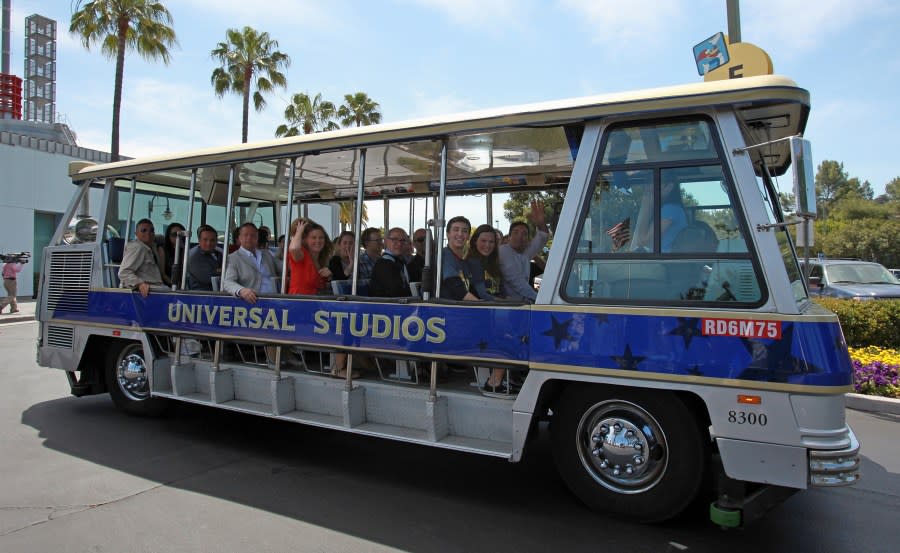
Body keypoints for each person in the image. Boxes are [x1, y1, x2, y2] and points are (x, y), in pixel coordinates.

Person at [467, 224, 513, 394]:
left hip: (493, 310)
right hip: (478, 313)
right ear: (475, 242)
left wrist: (508, 299)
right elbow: (481, 293)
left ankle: (503, 377)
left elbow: (498, 290)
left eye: (491, 242)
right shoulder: (473, 262)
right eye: (483, 241)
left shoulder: (492, 263)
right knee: (510, 336)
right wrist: (503, 301)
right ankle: (494, 381)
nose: (487, 245)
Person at [499, 200, 549, 302]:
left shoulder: (525, 253)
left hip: (522, 304)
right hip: (508, 307)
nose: (520, 237)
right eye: (516, 233)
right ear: (509, 237)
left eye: (524, 234)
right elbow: (518, 283)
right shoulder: (504, 251)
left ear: (527, 239)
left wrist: (541, 223)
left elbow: (543, 237)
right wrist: (540, 300)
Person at [222, 222, 281, 303]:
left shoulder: (266, 254)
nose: (249, 238)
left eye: (253, 235)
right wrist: (242, 291)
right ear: (239, 238)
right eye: (245, 235)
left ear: (257, 238)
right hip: (253, 302)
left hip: (277, 299)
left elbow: (282, 268)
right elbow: (228, 282)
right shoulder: (233, 258)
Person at [119, 219, 164, 298]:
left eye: (151, 230)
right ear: (136, 233)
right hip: (149, 291)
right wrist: (140, 284)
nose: (148, 233)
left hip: (158, 288)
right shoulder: (137, 247)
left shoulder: (152, 247)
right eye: (143, 230)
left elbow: (160, 238)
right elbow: (124, 272)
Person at [287, 218, 333, 295]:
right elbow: (293, 248)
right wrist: (299, 231)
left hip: (315, 302)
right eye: (313, 238)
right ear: (305, 240)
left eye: (321, 237)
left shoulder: (321, 259)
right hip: (299, 301)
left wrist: (329, 277)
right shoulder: (302, 255)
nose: (318, 241)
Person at [370, 227, 412, 297]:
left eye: (402, 240)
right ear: (386, 241)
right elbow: (395, 292)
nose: (399, 244)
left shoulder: (400, 261)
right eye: (394, 239)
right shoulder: (384, 264)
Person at [185, 225, 222, 291]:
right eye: (205, 240)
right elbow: (210, 278)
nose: (209, 243)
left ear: (216, 241)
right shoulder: (194, 256)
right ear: (199, 240)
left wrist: (219, 270)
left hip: (218, 292)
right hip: (201, 295)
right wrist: (222, 270)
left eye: (212, 240)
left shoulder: (219, 252)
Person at [659, 178, 687, 252]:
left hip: (667, 259)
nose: (649, 188)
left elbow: (644, 240)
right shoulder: (676, 207)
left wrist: (647, 202)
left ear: (669, 187)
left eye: (655, 182)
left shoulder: (670, 208)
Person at [158, 222, 186, 286]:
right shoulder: (162, 249)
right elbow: (163, 274)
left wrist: (183, 248)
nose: (177, 237)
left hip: (184, 284)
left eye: (180, 235)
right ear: (169, 236)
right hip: (168, 285)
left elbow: (186, 268)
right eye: (174, 235)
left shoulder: (186, 249)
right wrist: (173, 285)